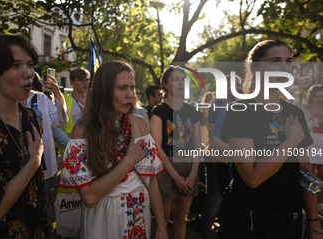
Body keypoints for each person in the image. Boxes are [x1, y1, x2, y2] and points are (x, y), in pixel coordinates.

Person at [217, 40, 321, 239]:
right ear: (255, 68)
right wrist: (291, 141)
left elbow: (306, 172)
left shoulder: (295, 112)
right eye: (275, 61)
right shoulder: (239, 110)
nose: (284, 67)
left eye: (288, 61)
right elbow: (252, 178)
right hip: (249, 219)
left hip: (290, 218)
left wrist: (314, 223)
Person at [59, 60, 168, 239]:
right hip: (102, 218)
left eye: (131, 88)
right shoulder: (81, 133)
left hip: (138, 213)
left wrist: (162, 227)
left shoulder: (139, 125)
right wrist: (128, 162)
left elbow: (152, 182)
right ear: (104, 91)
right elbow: (89, 198)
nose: (130, 95)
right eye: (122, 88)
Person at [0, 35, 48, 238]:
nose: (28, 73)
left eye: (29, 65)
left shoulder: (28, 116)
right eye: (16, 65)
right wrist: (34, 161)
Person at [150, 66, 201, 239]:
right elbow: (156, 147)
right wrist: (176, 177)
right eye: (176, 79)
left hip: (189, 165)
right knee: (162, 218)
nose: (181, 83)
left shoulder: (192, 111)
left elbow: (197, 144)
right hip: (165, 166)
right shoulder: (159, 111)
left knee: (180, 217)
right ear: (165, 84)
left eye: (183, 79)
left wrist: (192, 176)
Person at [201, 75, 241, 239]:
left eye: (238, 85)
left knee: (231, 203)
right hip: (216, 161)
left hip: (234, 162)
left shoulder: (243, 106)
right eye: (231, 85)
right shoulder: (217, 107)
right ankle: (205, 235)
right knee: (213, 203)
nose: (235, 88)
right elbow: (212, 135)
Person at [20, 71, 68, 204]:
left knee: (43, 204)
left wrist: (58, 95)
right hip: (17, 167)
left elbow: (60, 122)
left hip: (43, 167)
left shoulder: (40, 98)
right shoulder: (6, 99)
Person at [52, 67, 90, 149]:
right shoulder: (64, 100)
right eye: (80, 80)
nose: (85, 83)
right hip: (70, 149)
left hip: (91, 148)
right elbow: (56, 126)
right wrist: (69, 144)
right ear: (72, 82)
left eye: (87, 80)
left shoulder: (93, 100)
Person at [302, 85, 323, 213]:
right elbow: (302, 128)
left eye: (322, 96)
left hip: (322, 143)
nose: (319, 99)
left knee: (321, 175)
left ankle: (319, 203)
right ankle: (307, 204)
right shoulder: (304, 110)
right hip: (309, 143)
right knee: (309, 175)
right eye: (316, 96)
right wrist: (314, 117)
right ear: (311, 97)